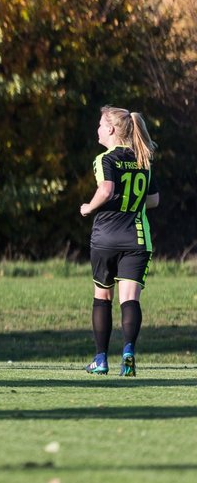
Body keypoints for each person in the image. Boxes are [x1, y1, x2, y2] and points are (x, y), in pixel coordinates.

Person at [79, 105, 158, 377]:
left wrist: (89, 206)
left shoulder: (105, 159)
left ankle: (100, 361)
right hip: (137, 238)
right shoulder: (143, 158)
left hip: (106, 238)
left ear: (111, 129)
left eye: (101, 124)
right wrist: (131, 201)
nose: (98, 129)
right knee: (130, 299)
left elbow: (107, 189)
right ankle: (128, 354)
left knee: (102, 296)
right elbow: (154, 199)